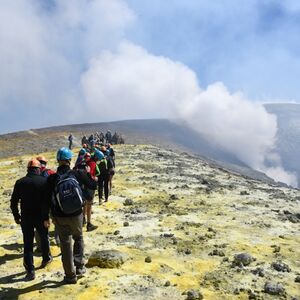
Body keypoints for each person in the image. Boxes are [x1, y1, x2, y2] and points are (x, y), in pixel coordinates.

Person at [42, 147, 97, 284]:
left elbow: (46, 199)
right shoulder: (77, 173)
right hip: (77, 214)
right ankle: (79, 267)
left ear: (58, 160)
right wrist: (90, 175)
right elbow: (93, 185)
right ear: (69, 160)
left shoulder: (52, 178)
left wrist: (46, 217)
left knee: (65, 244)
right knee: (78, 237)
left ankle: (70, 275)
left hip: (59, 216)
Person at [10, 159, 52, 281]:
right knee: (44, 238)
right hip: (41, 217)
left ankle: (30, 271)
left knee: (27, 244)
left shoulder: (20, 182)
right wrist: (46, 217)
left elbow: (13, 202)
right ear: (38, 169)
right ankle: (46, 258)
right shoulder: (44, 182)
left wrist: (16, 216)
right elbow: (47, 202)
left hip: (26, 218)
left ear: (28, 169)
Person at [82, 149, 103, 231]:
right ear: (97, 158)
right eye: (99, 159)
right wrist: (95, 178)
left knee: (84, 203)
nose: (99, 161)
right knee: (89, 205)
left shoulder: (87, 161)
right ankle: (89, 224)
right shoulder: (93, 163)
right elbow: (90, 175)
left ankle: (83, 219)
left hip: (84, 185)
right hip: (90, 186)